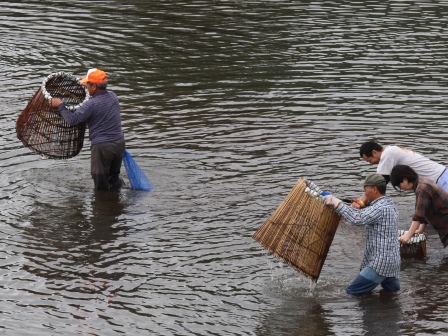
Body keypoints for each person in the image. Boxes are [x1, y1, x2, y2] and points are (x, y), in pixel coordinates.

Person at [322, 174, 401, 295]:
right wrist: (345, 209)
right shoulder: (387, 204)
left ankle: (375, 312)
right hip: (391, 262)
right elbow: (361, 215)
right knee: (392, 292)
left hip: (380, 264)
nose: (364, 193)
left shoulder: (381, 208)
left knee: (352, 292)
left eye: (365, 189)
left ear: (374, 189)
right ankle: (388, 310)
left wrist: (336, 202)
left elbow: (357, 218)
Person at [50, 68, 125, 190]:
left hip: (103, 147)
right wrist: (88, 84)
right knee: (113, 179)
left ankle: (103, 205)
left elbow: (72, 120)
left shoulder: (91, 104)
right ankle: (117, 203)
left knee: (100, 182)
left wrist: (60, 105)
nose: (86, 87)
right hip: (119, 143)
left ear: (94, 87)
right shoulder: (113, 97)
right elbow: (96, 97)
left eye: (88, 85)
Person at [390, 164, 448, 247]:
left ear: (405, 179)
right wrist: (420, 230)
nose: (401, 189)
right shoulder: (422, 181)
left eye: (399, 185)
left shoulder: (422, 188)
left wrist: (408, 235)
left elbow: (418, 216)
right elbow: (424, 210)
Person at [359, 141, 448, 191]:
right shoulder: (391, 150)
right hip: (438, 178)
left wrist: (362, 201)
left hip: (440, 179)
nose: (370, 164)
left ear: (374, 152)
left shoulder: (387, 154)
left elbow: (379, 182)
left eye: (369, 160)